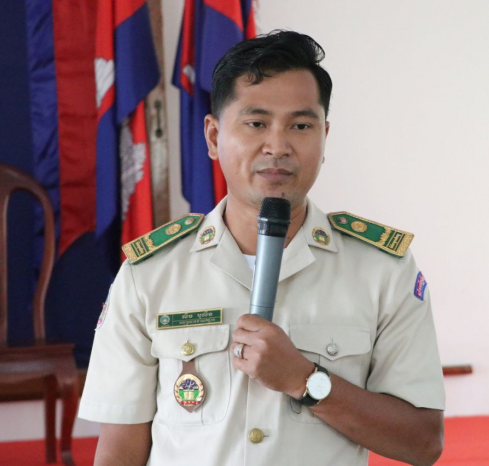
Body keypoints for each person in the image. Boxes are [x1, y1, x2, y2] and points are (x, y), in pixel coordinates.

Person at [79, 30, 445, 466]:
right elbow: (120, 448)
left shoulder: (382, 270)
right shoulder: (151, 273)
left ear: (324, 138)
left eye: (301, 126)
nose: (278, 146)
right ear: (213, 136)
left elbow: (423, 442)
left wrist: (305, 380)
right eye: (256, 124)